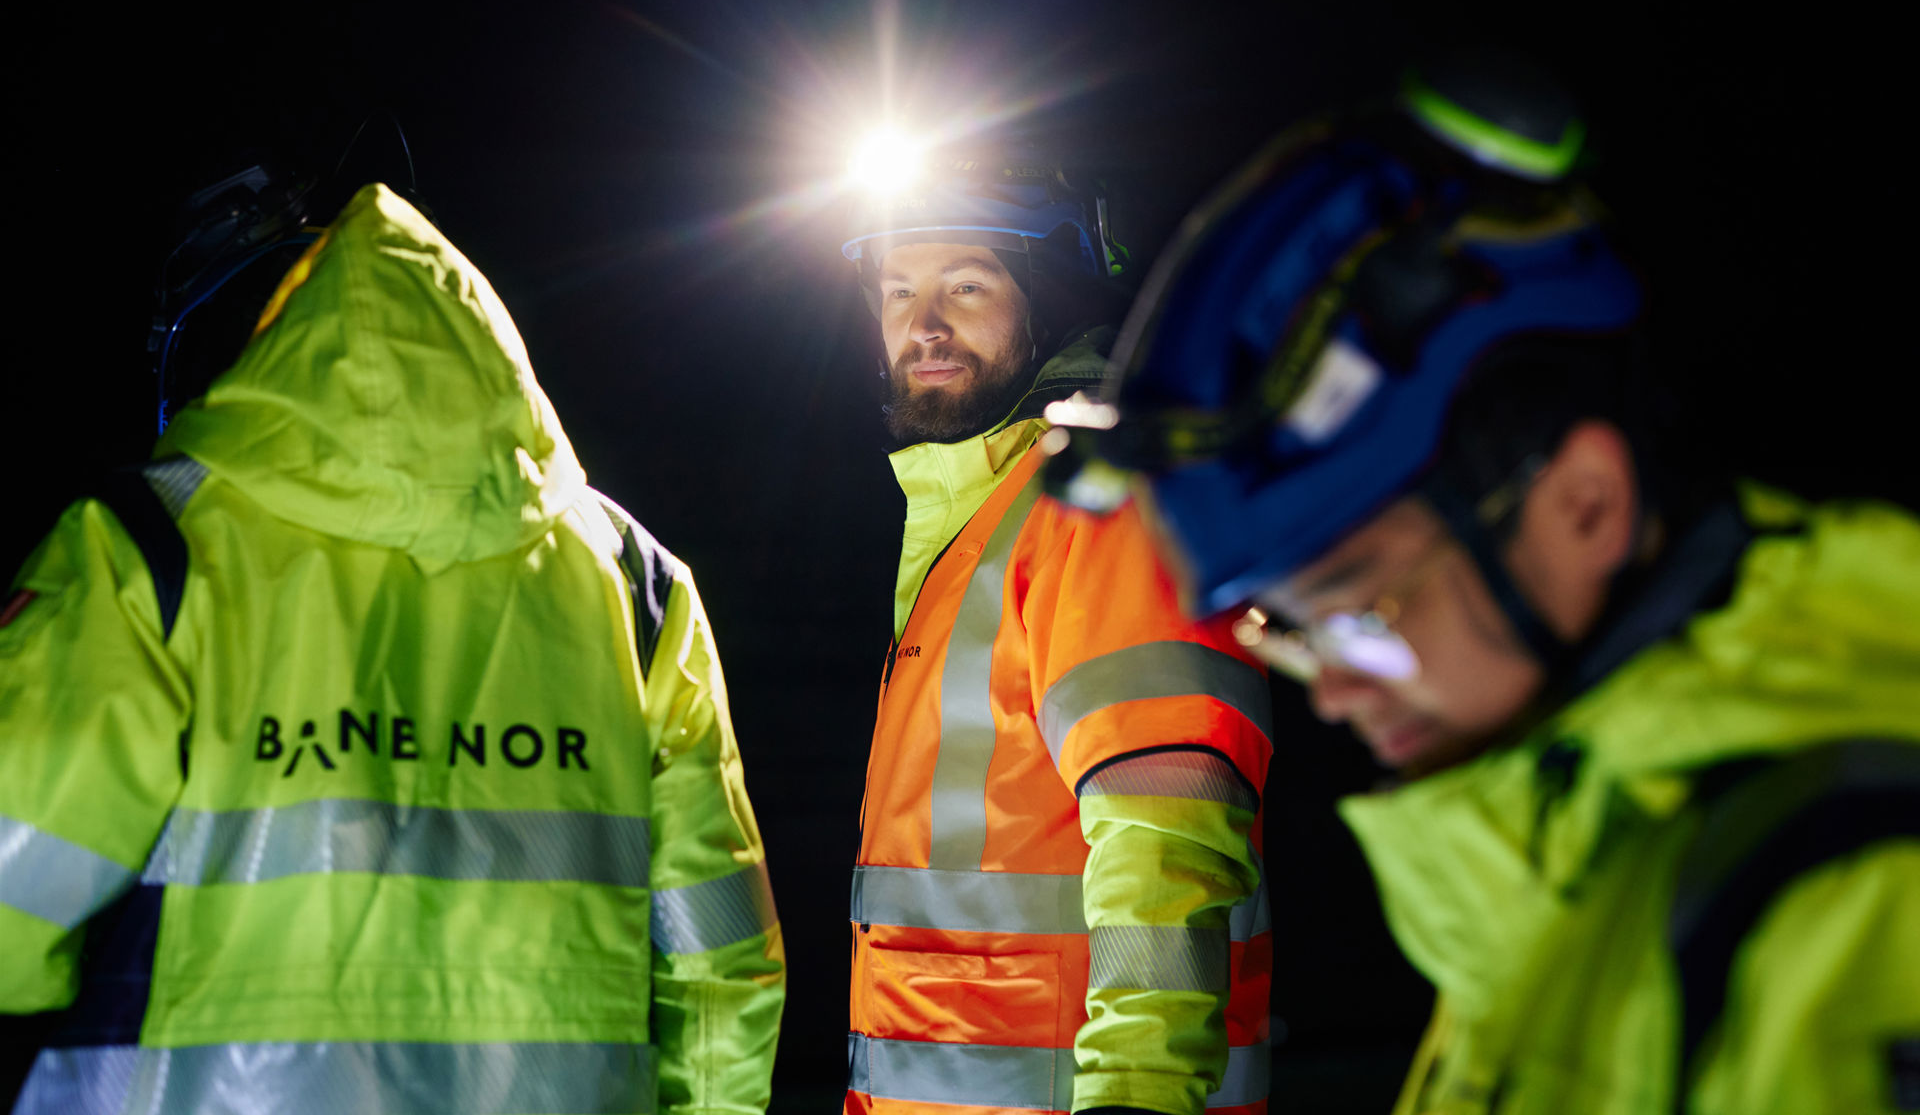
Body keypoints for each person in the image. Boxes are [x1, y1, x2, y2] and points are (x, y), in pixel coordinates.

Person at [1044, 62, 1920, 1114]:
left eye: (1359, 610)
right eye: (1294, 630)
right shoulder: (1579, 854)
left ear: (1584, 503)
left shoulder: (1859, 914)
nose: (1331, 692)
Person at [0, 179, 785, 1114]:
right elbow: (720, 969)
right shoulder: (637, 587)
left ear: (282, 351)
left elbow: (12, 915)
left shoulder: (145, 547)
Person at [837, 148, 1275, 1115]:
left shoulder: (1098, 508)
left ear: (1050, 295)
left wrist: (1137, 1097)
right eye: (899, 287)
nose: (925, 324)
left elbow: (1168, 839)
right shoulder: (977, 516)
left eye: (967, 283)